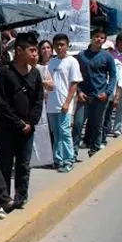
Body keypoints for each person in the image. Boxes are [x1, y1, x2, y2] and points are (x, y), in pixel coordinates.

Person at [0, 32, 44, 208]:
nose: (35, 54)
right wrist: (17, 122)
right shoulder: (4, 71)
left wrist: (31, 123)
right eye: (32, 50)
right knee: (5, 165)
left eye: (36, 50)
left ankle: (21, 198)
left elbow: (38, 101)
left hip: (27, 130)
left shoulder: (36, 74)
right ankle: (4, 200)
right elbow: (0, 100)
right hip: (8, 128)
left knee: (23, 165)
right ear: (19, 51)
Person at [73, 29, 116, 158]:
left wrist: (107, 93)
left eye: (102, 38)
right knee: (78, 125)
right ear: (92, 37)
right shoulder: (81, 56)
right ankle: (73, 153)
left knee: (98, 125)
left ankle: (94, 150)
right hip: (84, 96)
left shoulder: (107, 57)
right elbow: (76, 76)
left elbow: (113, 76)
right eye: (97, 36)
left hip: (100, 97)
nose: (99, 40)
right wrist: (79, 91)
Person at [46, 33, 82, 172]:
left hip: (64, 104)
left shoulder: (72, 61)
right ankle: (58, 159)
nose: (59, 47)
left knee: (65, 132)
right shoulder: (52, 63)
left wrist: (67, 103)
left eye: (62, 45)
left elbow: (74, 84)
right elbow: (48, 82)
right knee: (56, 133)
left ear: (67, 45)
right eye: (57, 45)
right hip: (51, 104)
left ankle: (69, 159)